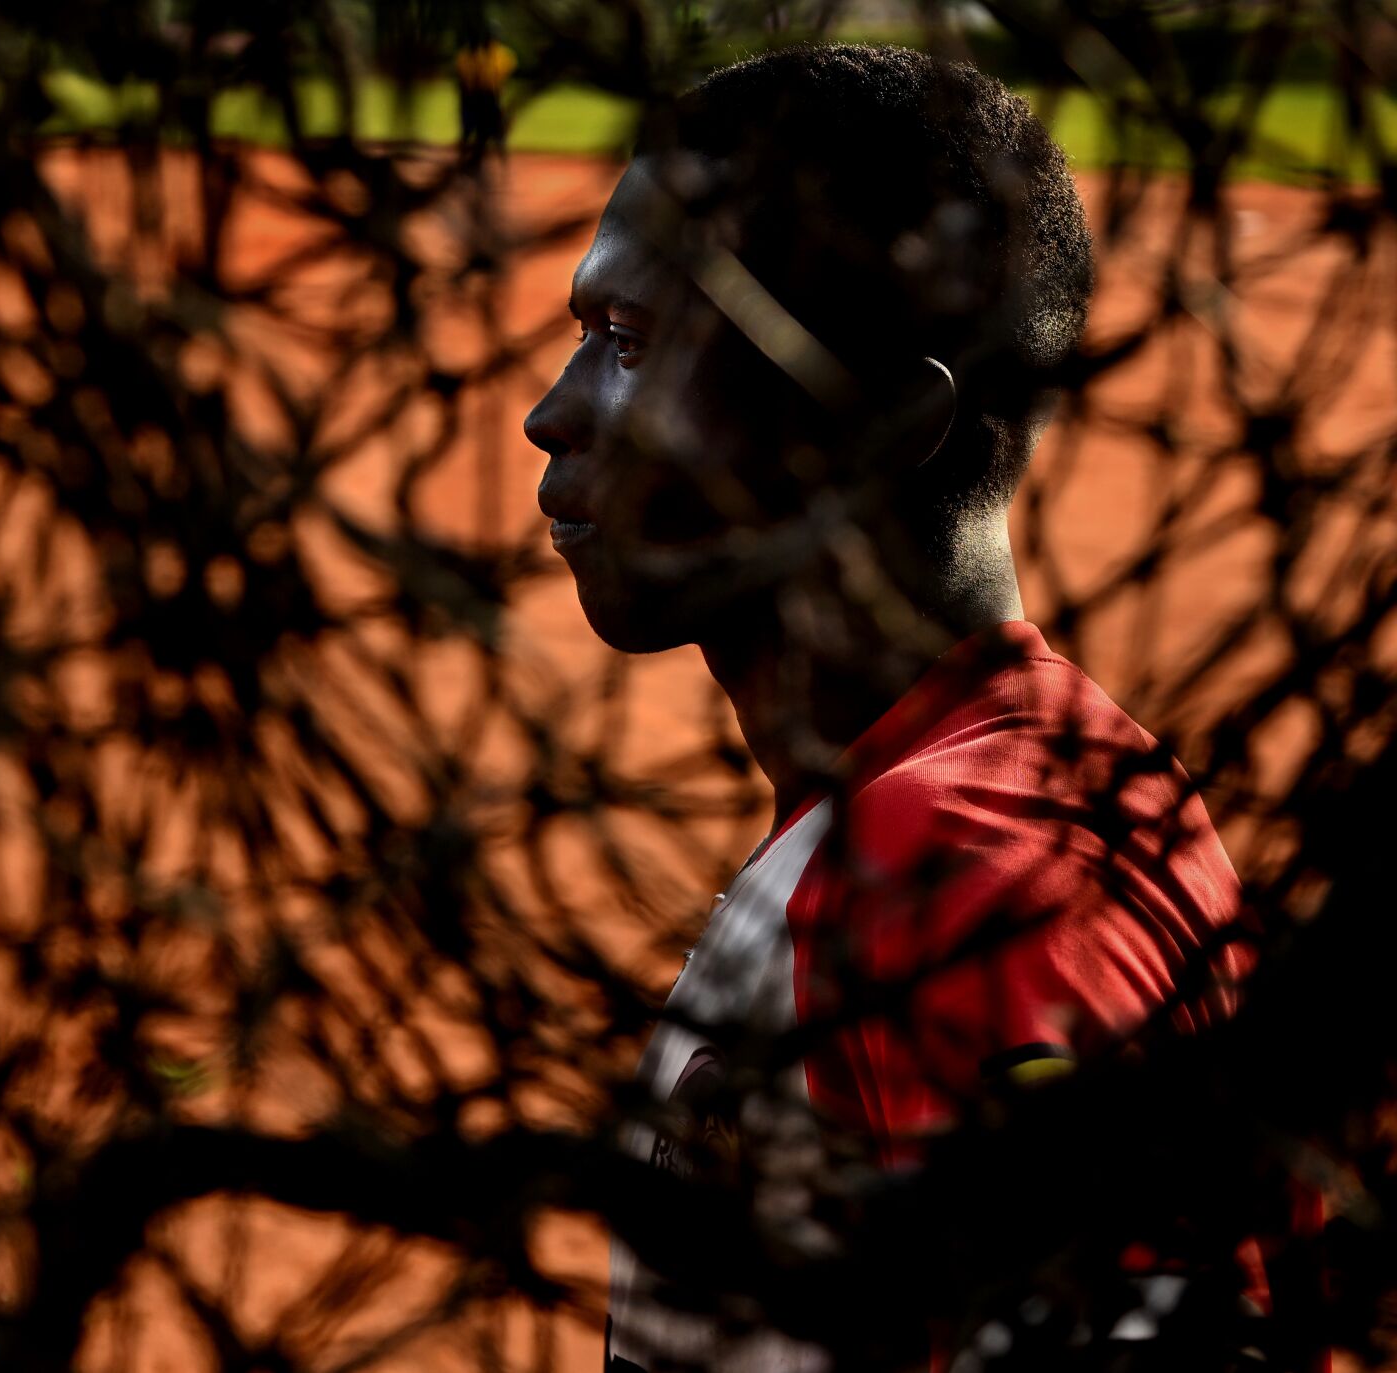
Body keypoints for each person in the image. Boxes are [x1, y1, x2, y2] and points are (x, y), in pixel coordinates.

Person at [522, 44, 1254, 1372]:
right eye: (585, 336)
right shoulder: (956, 799)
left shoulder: (970, 869)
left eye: (632, 344)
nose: (550, 414)